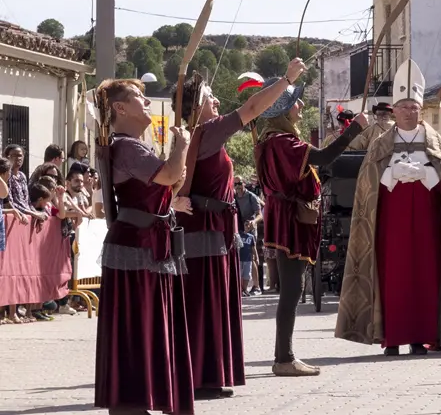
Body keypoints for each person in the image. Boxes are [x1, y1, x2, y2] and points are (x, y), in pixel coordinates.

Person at [170, 58, 309, 396]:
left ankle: (204, 375)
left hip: (209, 227)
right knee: (204, 303)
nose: (216, 100)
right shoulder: (206, 131)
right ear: (196, 106)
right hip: (204, 228)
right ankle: (201, 378)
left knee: (206, 302)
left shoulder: (196, 133)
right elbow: (252, 107)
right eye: (209, 96)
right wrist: (286, 81)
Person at [336, 59, 441, 356]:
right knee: (393, 274)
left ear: (421, 110)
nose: (409, 112)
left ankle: (420, 337)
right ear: (394, 110)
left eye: (414, 107)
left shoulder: (435, 140)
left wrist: (426, 175)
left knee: (425, 274)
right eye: (403, 107)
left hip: (427, 219)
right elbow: (367, 182)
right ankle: (391, 337)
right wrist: (390, 175)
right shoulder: (381, 143)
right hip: (391, 220)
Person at [93, 77, 194, 415]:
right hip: (136, 246)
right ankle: (133, 401)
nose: (147, 102)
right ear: (120, 108)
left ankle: (144, 397)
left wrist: (177, 155)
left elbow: (172, 182)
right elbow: (168, 177)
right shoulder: (126, 146)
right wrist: (182, 146)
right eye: (139, 96)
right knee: (136, 328)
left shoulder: (135, 145)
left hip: (149, 244)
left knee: (148, 327)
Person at [255, 74, 366, 376]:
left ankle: (285, 356)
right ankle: (283, 358)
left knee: (293, 289)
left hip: (287, 216)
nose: (301, 105)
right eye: (294, 102)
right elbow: (325, 155)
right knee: (292, 290)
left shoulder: (273, 140)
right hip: (291, 220)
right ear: (282, 111)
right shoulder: (283, 141)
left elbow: (307, 173)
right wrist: (355, 128)